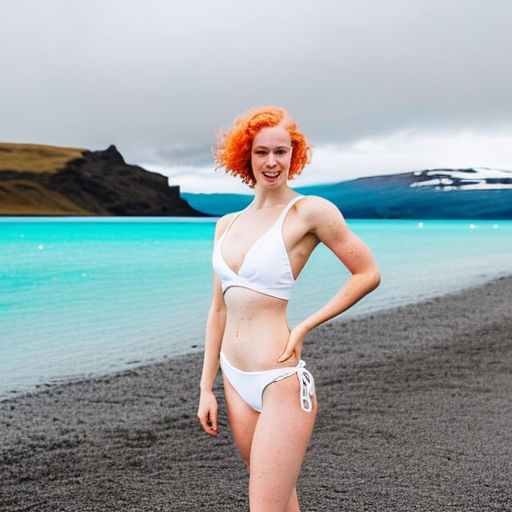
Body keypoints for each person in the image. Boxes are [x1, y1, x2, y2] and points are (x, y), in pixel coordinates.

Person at [197, 106, 380, 512]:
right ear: (245, 155)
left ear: (294, 155)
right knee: (280, 502)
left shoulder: (308, 212)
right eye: (261, 152)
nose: (271, 162)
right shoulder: (226, 223)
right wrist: (205, 387)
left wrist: (304, 327)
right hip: (234, 379)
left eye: (281, 151)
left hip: (280, 380)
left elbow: (366, 273)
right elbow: (218, 310)